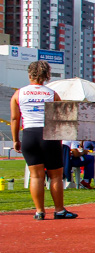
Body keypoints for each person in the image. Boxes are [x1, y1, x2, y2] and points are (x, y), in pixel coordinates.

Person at [9, 60, 77, 220]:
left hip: (29, 134)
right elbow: (62, 116)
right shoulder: (51, 94)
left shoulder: (19, 93)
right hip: (48, 135)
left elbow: (14, 117)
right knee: (55, 175)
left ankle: (39, 211)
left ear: (29, 74)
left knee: (36, 176)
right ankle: (59, 210)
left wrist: (15, 140)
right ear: (47, 75)